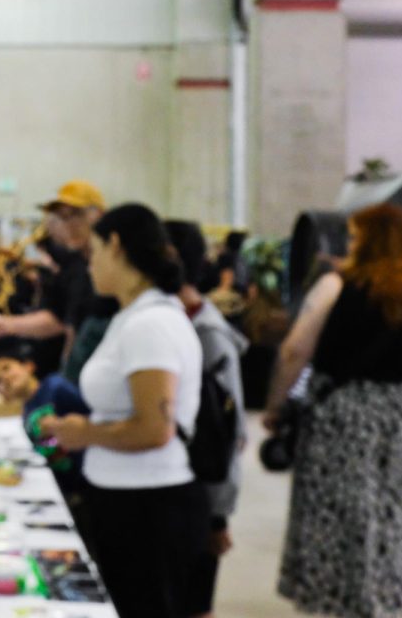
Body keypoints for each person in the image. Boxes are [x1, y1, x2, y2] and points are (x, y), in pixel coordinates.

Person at [263, 203, 402, 618]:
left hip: (345, 416)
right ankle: (394, 597)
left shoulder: (336, 287)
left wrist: (276, 405)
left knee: (346, 515)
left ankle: (343, 600)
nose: (350, 246)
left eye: (356, 238)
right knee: (398, 514)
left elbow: (294, 350)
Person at [42, 203, 208, 618]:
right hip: (126, 502)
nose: (91, 265)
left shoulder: (151, 323)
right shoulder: (131, 316)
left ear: (116, 246)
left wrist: (84, 434)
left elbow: (155, 429)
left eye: (95, 252)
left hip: (149, 508)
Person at [165, 220, 248, 618]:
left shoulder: (209, 335)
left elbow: (227, 436)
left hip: (196, 496)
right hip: (168, 491)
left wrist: (218, 515)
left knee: (192, 601)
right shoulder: (165, 319)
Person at [0, 180, 109, 379]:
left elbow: (61, 323)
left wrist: (6, 324)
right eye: (60, 217)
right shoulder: (73, 268)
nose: (67, 225)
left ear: (97, 215)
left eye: (75, 215)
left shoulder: (104, 267)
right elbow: (68, 323)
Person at [0, 348, 91, 532]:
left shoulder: (55, 386)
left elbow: (91, 418)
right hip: (62, 488)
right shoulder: (27, 411)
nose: (4, 379)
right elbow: (47, 446)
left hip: (86, 484)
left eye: (6, 368)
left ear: (28, 366)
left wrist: (58, 426)